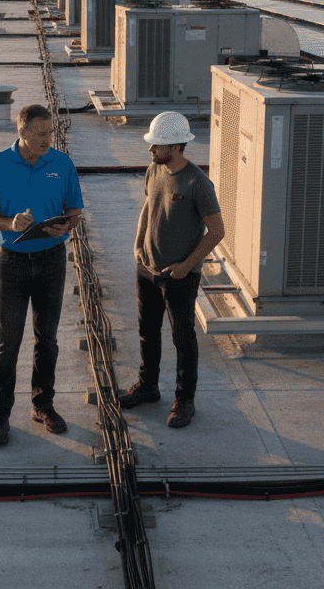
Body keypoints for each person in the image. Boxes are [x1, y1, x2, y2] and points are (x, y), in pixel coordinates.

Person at [0, 104, 83, 447]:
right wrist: (10, 224)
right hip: (13, 263)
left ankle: (43, 405)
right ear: (21, 133)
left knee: (47, 339)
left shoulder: (62, 164)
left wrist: (66, 226)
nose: (48, 140)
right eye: (40, 134)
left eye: (50, 132)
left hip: (52, 259)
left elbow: (75, 209)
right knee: (8, 341)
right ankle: (0, 414)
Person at [119, 111, 224, 428]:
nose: (151, 150)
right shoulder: (154, 170)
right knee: (147, 333)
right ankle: (148, 387)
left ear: (177, 147)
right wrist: (138, 245)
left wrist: (185, 266)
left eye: (157, 145)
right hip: (147, 270)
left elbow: (217, 232)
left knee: (183, 339)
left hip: (179, 278)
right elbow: (148, 206)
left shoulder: (198, 183)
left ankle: (184, 400)